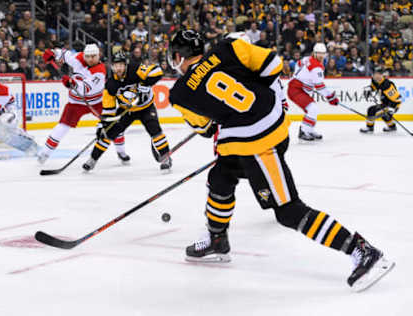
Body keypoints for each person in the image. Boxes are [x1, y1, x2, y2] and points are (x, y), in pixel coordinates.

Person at [167, 30, 394, 291]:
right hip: (272, 120)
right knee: (221, 175)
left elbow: (206, 129)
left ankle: (361, 250)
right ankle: (217, 240)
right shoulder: (228, 47)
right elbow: (273, 64)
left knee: (288, 211)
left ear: (178, 57)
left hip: (258, 144)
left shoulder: (179, 95)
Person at [38, 44, 130, 164]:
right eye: (88, 56)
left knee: (112, 125)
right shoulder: (80, 57)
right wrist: (54, 53)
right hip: (76, 102)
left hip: (97, 102)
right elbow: (66, 55)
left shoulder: (99, 71)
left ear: (98, 56)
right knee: (63, 126)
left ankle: (121, 152)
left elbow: (86, 89)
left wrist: (72, 83)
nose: (90, 59)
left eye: (93, 56)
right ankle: (45, 153)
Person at [82, 51, 172, 172]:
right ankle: (92, 159)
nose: (118, 68)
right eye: (115, 65)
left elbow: (157, 71)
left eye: (121, 65)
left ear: (125, 65)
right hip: (126, 110)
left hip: (146, 107)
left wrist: (146, 83)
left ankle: (166, 158)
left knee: (155, 130)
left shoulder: (135, 69)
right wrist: (103, 125)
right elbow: (108, 109)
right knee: (107, 133)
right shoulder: (111, 85)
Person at [287, 43, 340, 141]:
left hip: (297, 88)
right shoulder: (316, 68)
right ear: (314, 53)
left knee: (313, 109)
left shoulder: (307, 58)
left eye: (323, 53)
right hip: (296, 90)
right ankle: (303, 131)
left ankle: (309, 129)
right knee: (313, 108)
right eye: (319, 53)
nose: (321, 56)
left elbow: (298, 64)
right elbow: (320, 87)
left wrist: (299, 78)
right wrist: (331, 98)